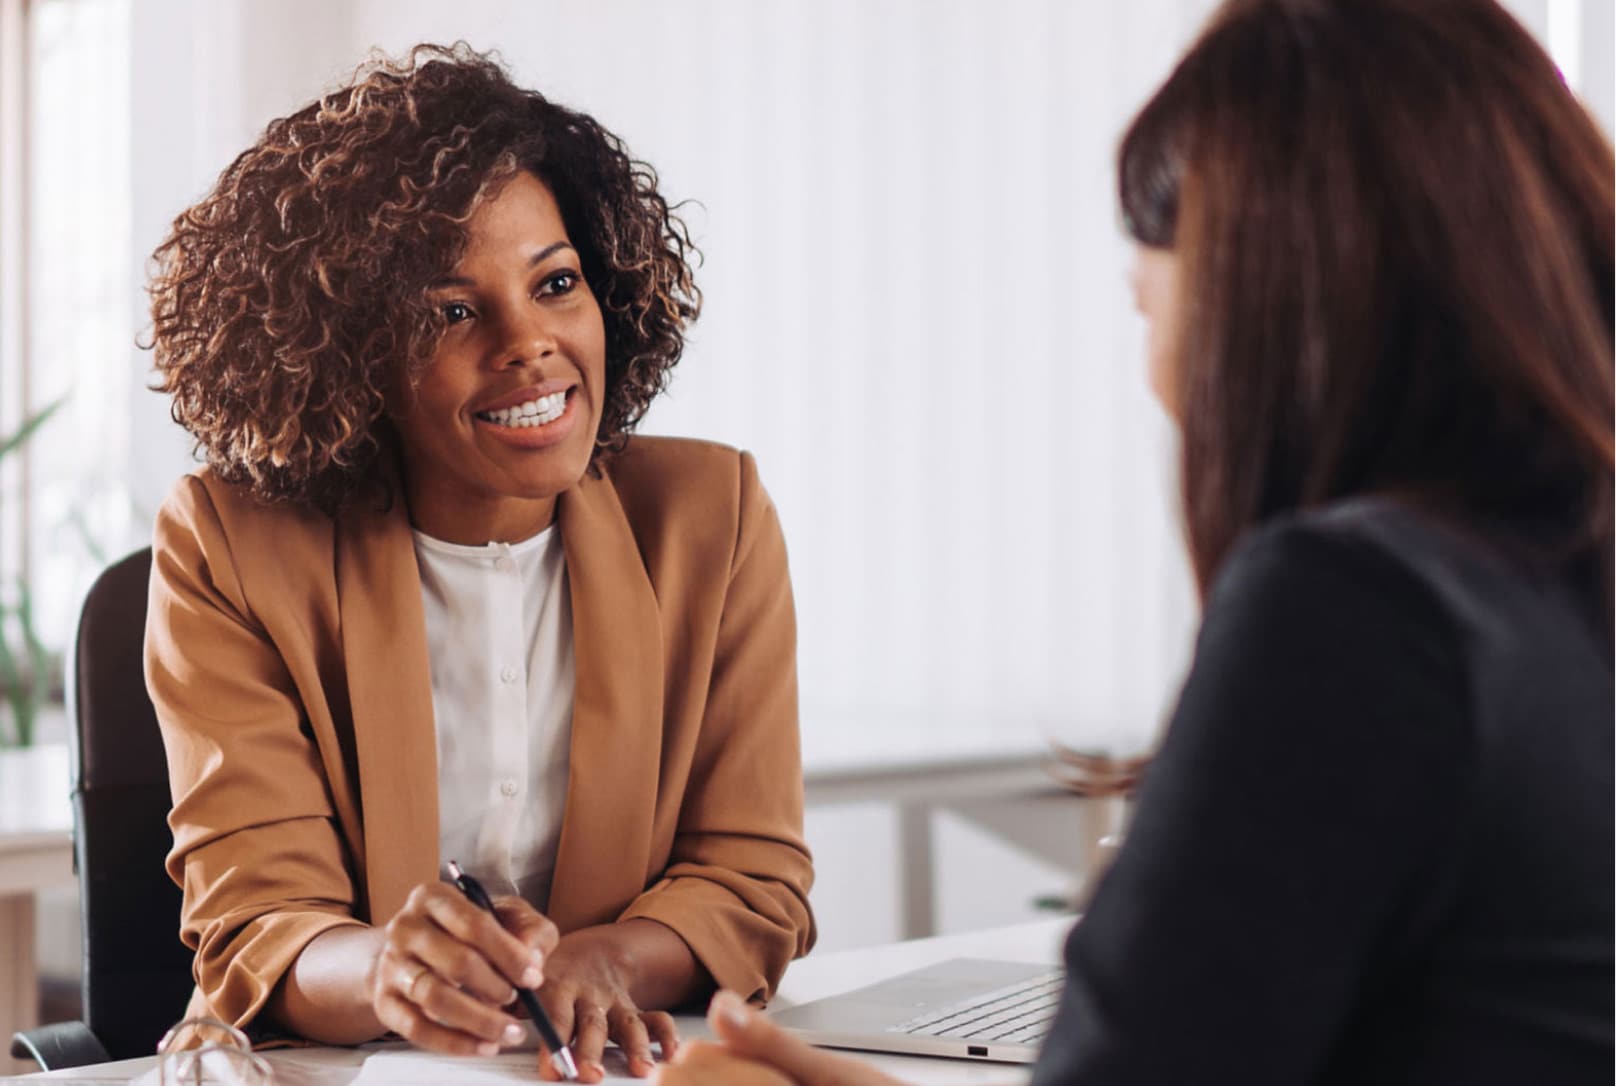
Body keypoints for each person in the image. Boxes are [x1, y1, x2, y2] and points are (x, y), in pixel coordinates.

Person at [656, 0, 1615, 1082]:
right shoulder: (1555, 579)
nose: (1136, 298)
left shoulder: (1357, 612)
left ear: (1270, 276)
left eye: (1156, 244)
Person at [144, 44, 815, 1082]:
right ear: (347, 352)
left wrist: (603, 963)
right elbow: (259, 920)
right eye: (450, 311)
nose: (528, 343)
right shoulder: (230, 543)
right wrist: (386, 973)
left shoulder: (707, 518)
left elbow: (751, 879)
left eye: (555, 283)